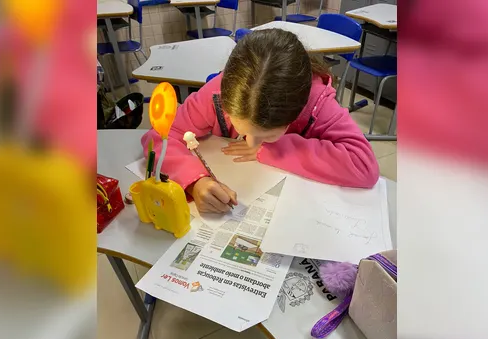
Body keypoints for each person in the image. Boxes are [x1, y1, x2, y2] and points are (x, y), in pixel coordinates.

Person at [140, 29, 379, 214]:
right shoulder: (217, 95)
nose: (251, 142)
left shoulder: (318, 104)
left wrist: (277, 149)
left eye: (267, 135)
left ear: (295, 113)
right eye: (244, 130)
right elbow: (160, 136)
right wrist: (195, 181)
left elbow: (364, 167)